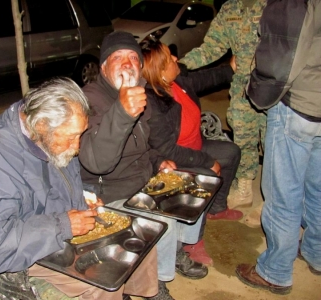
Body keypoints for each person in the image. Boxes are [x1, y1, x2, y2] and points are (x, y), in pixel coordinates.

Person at [0, 78, 159, 300]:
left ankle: (138, 293)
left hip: (57, 226)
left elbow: (52, 183)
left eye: (80, 135)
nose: (77, 147)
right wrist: (62, 225)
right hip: (30, 249)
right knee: (102, 280)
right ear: (41, 126)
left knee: (138, 242)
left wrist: (83, 196)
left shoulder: (45, 127)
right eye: (71, 137)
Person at [79, 31, 208, 300]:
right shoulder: (89, 100)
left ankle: (174, 254)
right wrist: (123, 112)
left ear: (140, 67)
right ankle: (156, 284)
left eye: (132, 58)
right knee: (160, 221)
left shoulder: (141, 95)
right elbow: (97, 162)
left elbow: (142, 146)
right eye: (117, 58)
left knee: (193, 189)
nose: (127, 64)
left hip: (141, 181)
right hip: (110, 192)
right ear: (103, 67)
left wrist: (159, 160)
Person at [236, 0, 321, 295]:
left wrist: (257, 87)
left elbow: (283, 50)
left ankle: (275, 270)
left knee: (284, 193)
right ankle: (317, 252)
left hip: (299, 105)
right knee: (319, 187)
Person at [140, 41, 242, 266]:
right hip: (173, 160)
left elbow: (206, 78)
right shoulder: (152, 103)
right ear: (160, 70)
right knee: (208, 177)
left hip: (196, 147)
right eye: (170, 59)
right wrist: (207, 161)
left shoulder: (178, 82)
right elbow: (167, 149)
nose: (176, 59)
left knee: (232, 153)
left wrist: (230, 69)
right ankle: (192, 242)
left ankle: (217, 208)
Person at [178, 0, 267, 228]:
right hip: (242, 88)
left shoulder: (277, 4)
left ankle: (272, 201)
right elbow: (212, 47)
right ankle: (245, 185)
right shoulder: (231, 8)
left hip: (271, 86)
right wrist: (176, 67)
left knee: (273, 144)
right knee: (243, 136)